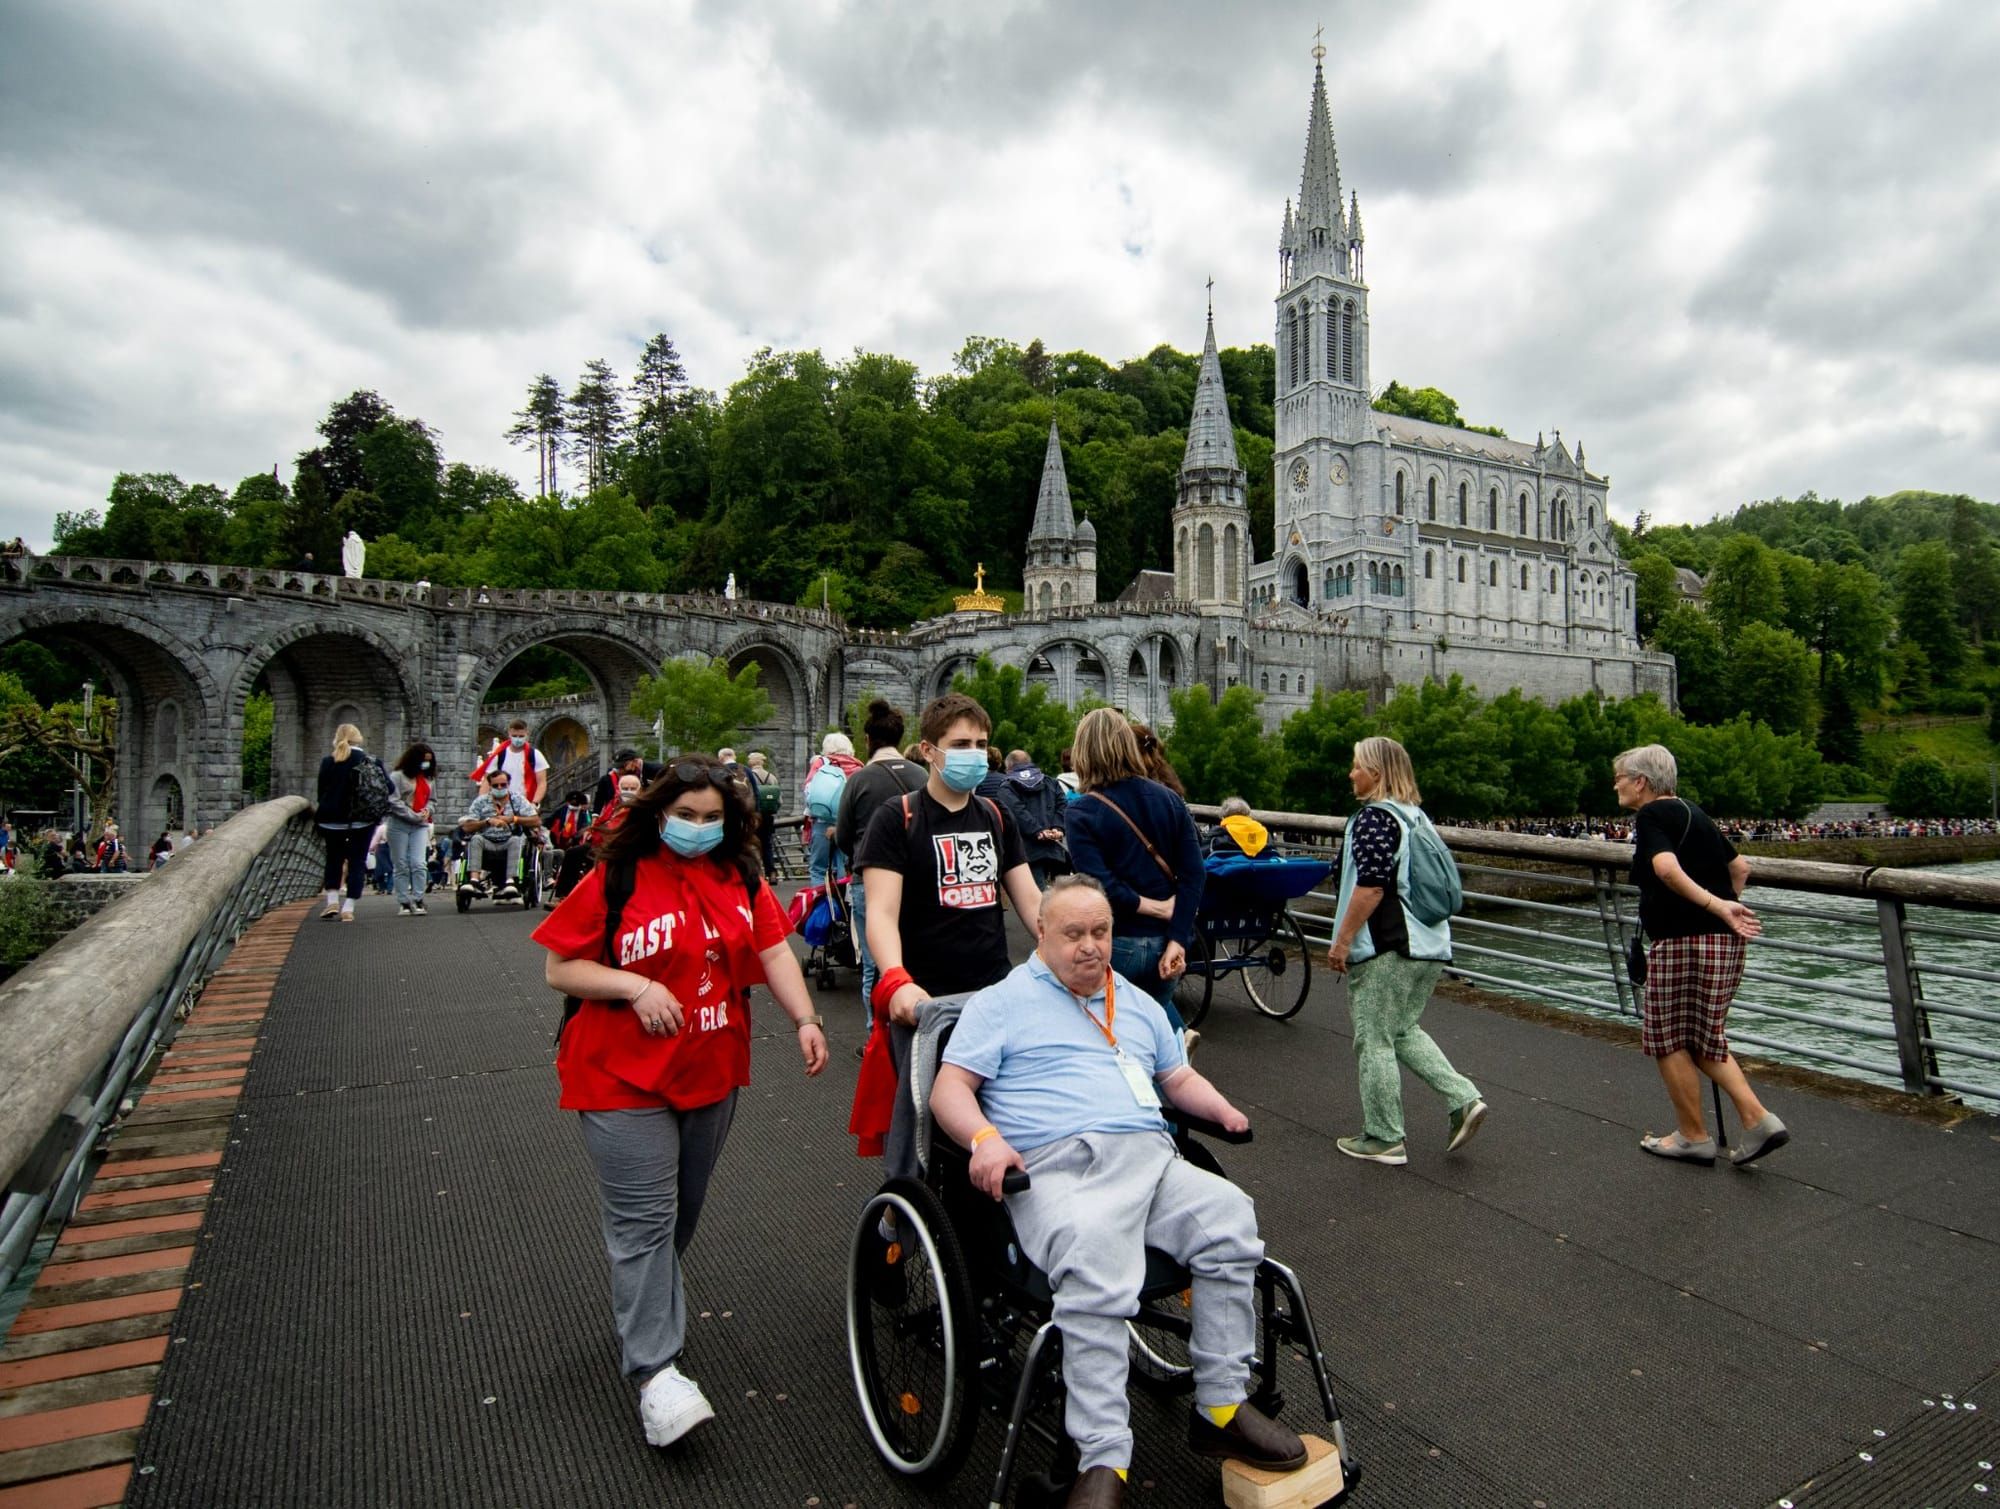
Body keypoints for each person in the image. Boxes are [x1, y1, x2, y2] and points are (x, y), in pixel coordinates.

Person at [930, 876, 1308, 1507]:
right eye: (1074, 933)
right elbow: (949, 1089)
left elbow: (1174, 1075)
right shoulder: (1001, 1002)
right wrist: (985, 1140)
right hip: (1057, 1164)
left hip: (1150, 1159)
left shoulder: (1133, 1000)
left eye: (1100, 932)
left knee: (1229, 1217)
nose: (1090, 947)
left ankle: (1219, 1406)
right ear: (1042, 933)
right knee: (1096, 1254)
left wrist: (1225, 1111)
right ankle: (1103, 1455)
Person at [533, 756, 829, 1447]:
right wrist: (634, 987)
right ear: (660, 813)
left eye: (711, 817)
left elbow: (774, 948)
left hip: (711, 1068)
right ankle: (655, 1374)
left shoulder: (739, 876)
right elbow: (559, 966)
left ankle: (648, 1316)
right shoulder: (620, 875)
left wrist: (807, 1018)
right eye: (685, 815)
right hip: (618, 1075)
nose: (697, 828)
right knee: (644, 1221)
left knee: (677, 1216)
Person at [849, 692, 1042, 1172]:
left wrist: (1074, 950)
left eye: (981, 743)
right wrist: (895, 978)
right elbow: (880, 913)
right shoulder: (897, 817)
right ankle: (901, 1211)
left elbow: (1033, 902)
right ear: (928, 751)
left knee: (999, 1112)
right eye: (960, 743)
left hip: (992, 993)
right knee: (920, 1123)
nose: (974, 753)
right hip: (925, 1002)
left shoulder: (997, 817)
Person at [1614, 744, 1788, 1166]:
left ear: (1641, 782)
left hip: (1682, 942)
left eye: (1619, 777)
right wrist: (1727, 909)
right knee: (1704, 1036)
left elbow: (1666, 869)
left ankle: (1694, 1135)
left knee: (1667, 1037)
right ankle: (1757, 1120)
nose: (1615, 784)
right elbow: (1740, 868)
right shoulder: (1695, 813)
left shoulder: (1653, 815)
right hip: (1722, 943)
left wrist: (1715, 907)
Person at [1324, 736, 1487, 1166]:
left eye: (1357, 766)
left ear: (1376, 773)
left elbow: (1372, 885)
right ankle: (1463, 1098)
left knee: (1373, 1039)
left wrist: (1342, 941)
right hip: (1429, 943)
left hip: (1386, 947)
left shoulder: (1374, 819)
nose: (1351, 773)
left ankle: (1383, 1136)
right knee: (1402, 1031)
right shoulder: (1416, 817)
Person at [1062, 708, 1202, 1036]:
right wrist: (1178, 937)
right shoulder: (1169, 799)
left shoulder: (1081, 811)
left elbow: (1099, 884)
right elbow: (1194, 873)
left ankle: (1173, 1049)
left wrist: (1147, 905)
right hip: (1168, 940)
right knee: (1151, 1015)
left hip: (1118, 941)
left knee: (1104, 1031)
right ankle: (1177, 1046)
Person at [833, 700, 928, 1029]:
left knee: (875, 963)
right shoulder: (921, 774)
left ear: (869, 739)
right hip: (916, 876)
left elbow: (843, 836)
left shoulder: (860, 780)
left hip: (868, 879)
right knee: (915, 952)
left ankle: (878, 1034)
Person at [315, 724, 377, 920]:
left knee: (333, 859)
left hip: (331, 821)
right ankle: (348, 908)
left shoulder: (328, 761)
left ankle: (332, 900)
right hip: (362, 821)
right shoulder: (371, 762)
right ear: (359, 739)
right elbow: (389, 788)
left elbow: (321, 792)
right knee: (357, 862)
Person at [457, 768, 542, 901]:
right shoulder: (481, 802)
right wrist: (487, 821)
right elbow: (467, 827)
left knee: (516, 840)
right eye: (495, 785)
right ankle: (474, 881)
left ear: (508, 784)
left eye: (503, 785)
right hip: (487, 841)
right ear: (490, 786)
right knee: (476, 839)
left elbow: (536, 820)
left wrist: (513, 819)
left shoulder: (517, 800)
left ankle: (510, 882)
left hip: (509, 841)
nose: (499, 787)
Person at [998, 749, 1070, 888]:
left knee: (1038, 899)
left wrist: (1038, 831)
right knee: (1063, 896)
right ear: (1029, 762)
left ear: (1008, 767)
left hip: (1028, 851)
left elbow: (1017, 812)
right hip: (1056, 847)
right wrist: (1057, 827)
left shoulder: (1007, 786)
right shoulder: (1050, 781)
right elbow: (1063, 805)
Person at [801, 732, 862, 886]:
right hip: (846, 823)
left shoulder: (822, 762)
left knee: (818, 868)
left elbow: (809, 790)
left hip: (822, 820)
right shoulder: (858, 766)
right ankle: (840, 903)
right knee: (842, 865)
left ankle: (823, 906)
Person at [387, 744, 438, 916]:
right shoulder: (397, 777)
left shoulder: (429, 779)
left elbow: (433, 801)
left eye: (429, 762)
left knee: (419, 863)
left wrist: (427, 811)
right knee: (400, 864)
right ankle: (403, 901)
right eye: (424, 761)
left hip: (420, 825)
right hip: (399, 824)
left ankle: (418, 898)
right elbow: (393, 801)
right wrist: (412, 815)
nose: (426, 764)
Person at [468, 719, 550, 808]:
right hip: (500, 804)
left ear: (527, 734)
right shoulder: (499, 755)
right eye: (514, 736)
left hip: (526, 804)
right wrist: (481, 803)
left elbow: (542, 783)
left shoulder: (535, 755)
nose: (518, 739)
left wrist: (535, 803)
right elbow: (487, 782)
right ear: (509, 733)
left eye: (521, 736)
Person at [548, 789, 595, 900]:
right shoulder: (561, 811)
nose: (574, 803)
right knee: (567, 854)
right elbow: (549, 822)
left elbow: (586, 827)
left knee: (575, 852)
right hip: (560, 841)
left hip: (577, 841)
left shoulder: (586, 814)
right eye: (571, 801)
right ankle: (563, 892)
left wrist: (575, 838)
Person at [745, 752, 781, 876]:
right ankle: (771, 873)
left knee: (752, 844)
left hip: (754, 816)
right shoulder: (771, 777)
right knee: (767, 845)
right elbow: (779, 800)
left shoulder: (748, 776)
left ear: (751, 763)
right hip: (767, 816)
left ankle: (757, 873)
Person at [594, 749, 664, 813]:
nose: (620, 769)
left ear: (635, 761)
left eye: (622, 766)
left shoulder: (657, 770)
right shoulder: (611, 775)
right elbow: (600, 797)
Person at [1205, 796, 1272, 858]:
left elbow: (1201, 856)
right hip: (1260, 870)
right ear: (1248, 814)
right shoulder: (1264, 834)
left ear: (1223, 816)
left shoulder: (1217, 835)